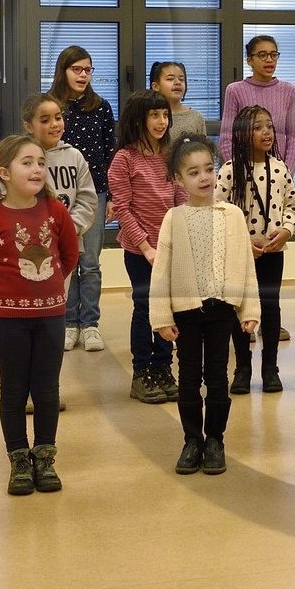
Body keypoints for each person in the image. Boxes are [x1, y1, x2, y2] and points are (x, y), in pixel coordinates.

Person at [0, 134, 80, 497]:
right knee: (13, 391)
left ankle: (44, 458)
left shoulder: (56, 210)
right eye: (27, 162)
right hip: (9, 321)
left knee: (46, 391)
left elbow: (70, 255)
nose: (37, 169)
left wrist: (54, 288)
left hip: (50, 318)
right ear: (3, 173)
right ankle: (19, 461)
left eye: (41, 163)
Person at [153, 136, 260, 476]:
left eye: (208, 169)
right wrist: (161, 316)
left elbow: (246, 265)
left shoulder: (232, 215)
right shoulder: (173, 217)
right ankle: (191, 441)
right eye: (193, 171)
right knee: (187, 378)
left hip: (221, 310)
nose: (203, 177)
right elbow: (161, 272)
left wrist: (249, 310)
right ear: (178, 179)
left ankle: (215, 440)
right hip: (185, 312)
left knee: (217, 377)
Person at [216, 106, 295, 394]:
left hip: (272, 254)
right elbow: (216, 211)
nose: (266, 132)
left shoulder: (279, 168)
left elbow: (292, 205)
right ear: (242, 134)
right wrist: (239, 243)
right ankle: (242, 367)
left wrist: (287, 231)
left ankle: (270, 368)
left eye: (269, 126)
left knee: (271, 307)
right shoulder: (229, 170)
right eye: (258, 127)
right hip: (239, 254)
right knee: (239, 309)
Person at [109, 90, 184, 405]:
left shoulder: (171, 154)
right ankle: (142, 373)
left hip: (170, 246)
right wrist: (146, 246)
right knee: (145, 307)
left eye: (164, 115)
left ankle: (164, 368)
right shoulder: (124, 158)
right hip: (139, 250)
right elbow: (123, 210)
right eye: (154, 115)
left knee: (168, 308)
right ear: (139, 119)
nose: (161, 121)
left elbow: (181, 197)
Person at [50, 45, 114, 352]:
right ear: (63, 70)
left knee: (89, 262)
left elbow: (109, 152)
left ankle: (90, 324)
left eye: (88, 70)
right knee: (66, 259)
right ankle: (68, 322)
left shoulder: (100, 106)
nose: (83, 75)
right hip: (59, 194)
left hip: (95, 194)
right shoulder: (52, 107)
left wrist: (111, 196)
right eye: (77, 69)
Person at [24, 93, 98, 357]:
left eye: (58, 117)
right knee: (33, 312)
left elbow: (88, 200)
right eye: (45, 120)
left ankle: (49, 381)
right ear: (28, 126)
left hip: (65, 244)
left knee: (57, 304)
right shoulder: (20, 158)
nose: (55, 124)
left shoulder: (75, 156)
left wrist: (69, 229)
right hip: (31, 249)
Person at [219, 35, 295, 168]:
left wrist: (285, 174)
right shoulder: (235, 90)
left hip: (279, 172)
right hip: (244, 172)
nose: (269, 60)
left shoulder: (288, 90)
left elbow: (293, 139)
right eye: (262, 55)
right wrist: (241, 173)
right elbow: (227, 138)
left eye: (273, 55)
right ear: (249, 60)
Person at [151, 60, 206, 139]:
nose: (177, 82)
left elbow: (203, 149)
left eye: (181, 79)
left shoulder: (196, 117)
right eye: (170, 79)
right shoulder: (149, 115)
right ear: (156, 86)